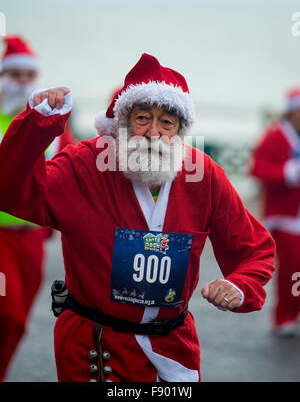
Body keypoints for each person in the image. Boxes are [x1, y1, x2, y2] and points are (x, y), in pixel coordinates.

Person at [0, 53, 275, 382]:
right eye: (142, 118)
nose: (154, 133)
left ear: (181, 130)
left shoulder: (204, 176)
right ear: (121, 123)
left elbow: (254, 248)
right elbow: (12, 190)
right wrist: (37, 124)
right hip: (95, 349)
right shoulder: (84, 166)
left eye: (167, 123)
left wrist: (239, 284)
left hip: (174, 350)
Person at [0, 35, 76, 381]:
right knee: (8, 313)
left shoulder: (55, 125)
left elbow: (74, 170)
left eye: (28, 75)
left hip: (31, 238)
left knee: (19, 322)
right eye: (13, 74)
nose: (21, 81)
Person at [250, 87, 300, 336]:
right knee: (292, 269)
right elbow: (258, 170)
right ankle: (285, 316)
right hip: (285, 217)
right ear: (292, 112)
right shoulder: (275, 137)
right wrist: (288, 172)